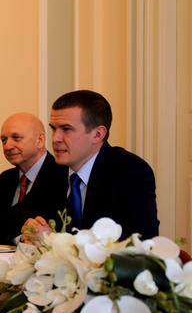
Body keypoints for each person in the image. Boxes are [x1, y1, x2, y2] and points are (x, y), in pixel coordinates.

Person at [22, 90, 159, 241]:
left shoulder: (130, 171)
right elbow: (10, 222)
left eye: (66, 129)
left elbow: (140, 243)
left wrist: (54, 241)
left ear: (97, 134)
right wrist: (29, 230)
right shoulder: (52, 170)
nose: (55, 139)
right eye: (53, 129)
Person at [0, 113, 67, 244]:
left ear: (40, 140)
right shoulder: (5, 178)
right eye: (4, 140)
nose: (8, 146)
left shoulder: (61, 175)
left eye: (16, 138)